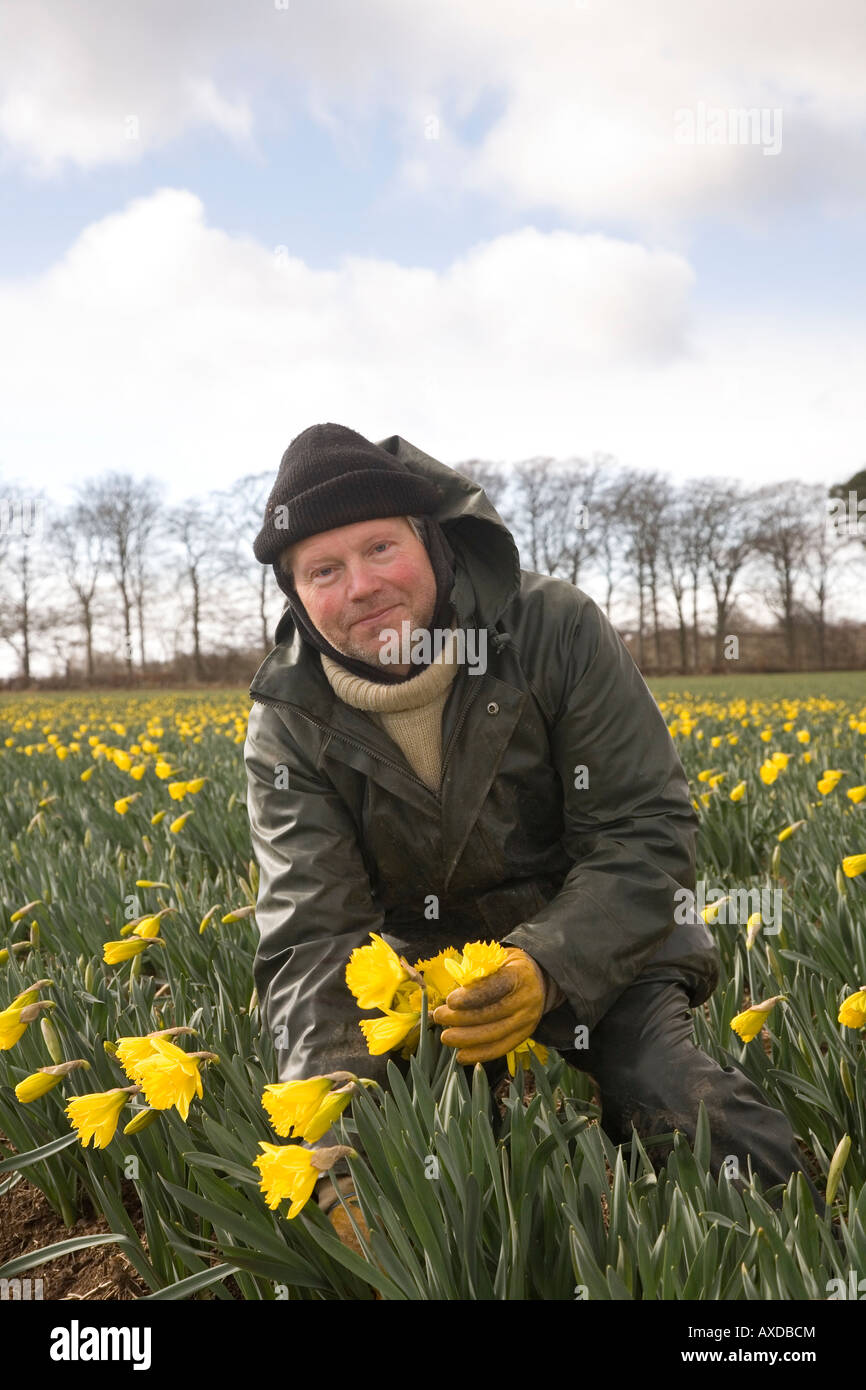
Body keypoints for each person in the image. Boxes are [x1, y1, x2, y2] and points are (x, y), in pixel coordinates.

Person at [245, 422, 823, 1248]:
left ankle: (805, 1254)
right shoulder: (288, 721)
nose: (362, 586)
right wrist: (332, 1127)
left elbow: (643, 832)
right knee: (435, 1165)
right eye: (324, 570)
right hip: (431, 988)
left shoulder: (553, 628)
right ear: (297, 595)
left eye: (380, 548)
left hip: (601, 944)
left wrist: (547, 964)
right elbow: (313, 933)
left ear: (431, 539)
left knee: (675, 1097)